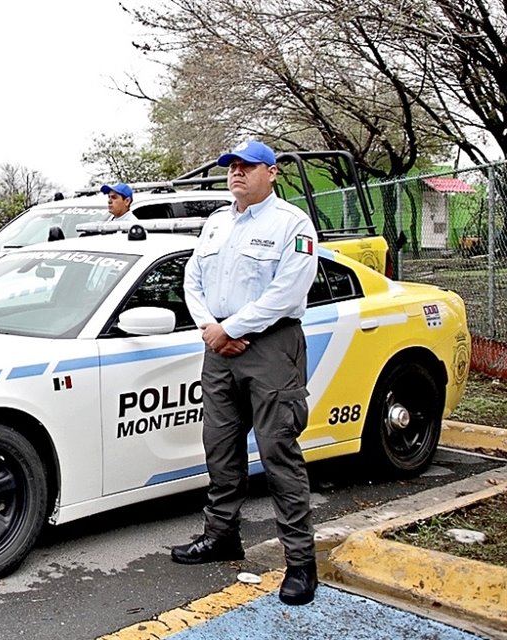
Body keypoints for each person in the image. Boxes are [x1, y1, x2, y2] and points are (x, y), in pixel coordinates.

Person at [176, 140, 320, 606]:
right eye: (232, 167)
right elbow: (192, 280)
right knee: (220, 448)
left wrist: (231, 329)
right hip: (219, 348)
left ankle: (300, 563)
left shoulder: (292, 224)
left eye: (247, 167)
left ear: (271, 172)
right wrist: (210, 328)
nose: (237, 174)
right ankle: (221, 537)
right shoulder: (218, 221)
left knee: (279, 451)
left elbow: (287, 291)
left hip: (271, 347)